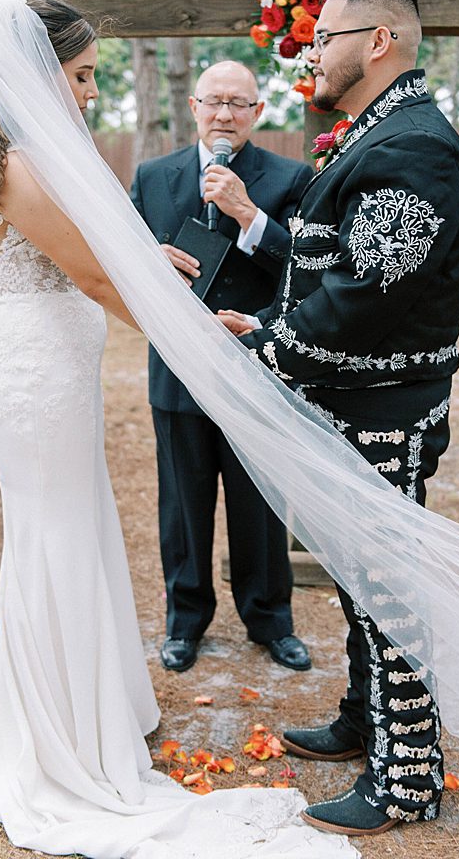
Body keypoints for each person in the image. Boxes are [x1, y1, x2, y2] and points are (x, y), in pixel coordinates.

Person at [0, 0, 351, 857]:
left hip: (56, 370)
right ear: (41, 70)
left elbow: (94, 256)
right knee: (53, 535)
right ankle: (61, 735)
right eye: (84, 75)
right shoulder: (17, 161)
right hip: (35, 377)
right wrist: (184, 321)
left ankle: (99, 708)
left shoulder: (35, 152)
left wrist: (144, 257)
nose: (90, 92)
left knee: (79, 525)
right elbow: (90, 279)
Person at [220, 0, 459, 834]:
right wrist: (260, 319)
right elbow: (333, 268)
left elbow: (370, 296)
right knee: (356, 578)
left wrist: (264, 351)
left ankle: (408, 780)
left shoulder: (416, 146)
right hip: (349, 401)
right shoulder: (375, 134)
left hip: (388, 410)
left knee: (389, 590)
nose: (309, 53)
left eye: (325, 38)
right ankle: (366, 722)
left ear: (380, 42)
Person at [130, 61, 313, 675]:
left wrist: (247, 215)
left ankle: (270, 620)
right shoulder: (153, 178)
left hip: (256, 367)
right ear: (193, 105)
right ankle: (185, 621)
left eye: (240, 103)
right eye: (215, 102)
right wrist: (147, 258)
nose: (225, 114)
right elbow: (122, 269)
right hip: (177, 371)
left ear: (257, 113)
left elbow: (307, 272)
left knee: (259, 503)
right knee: (182, 504)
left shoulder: (289, 178)